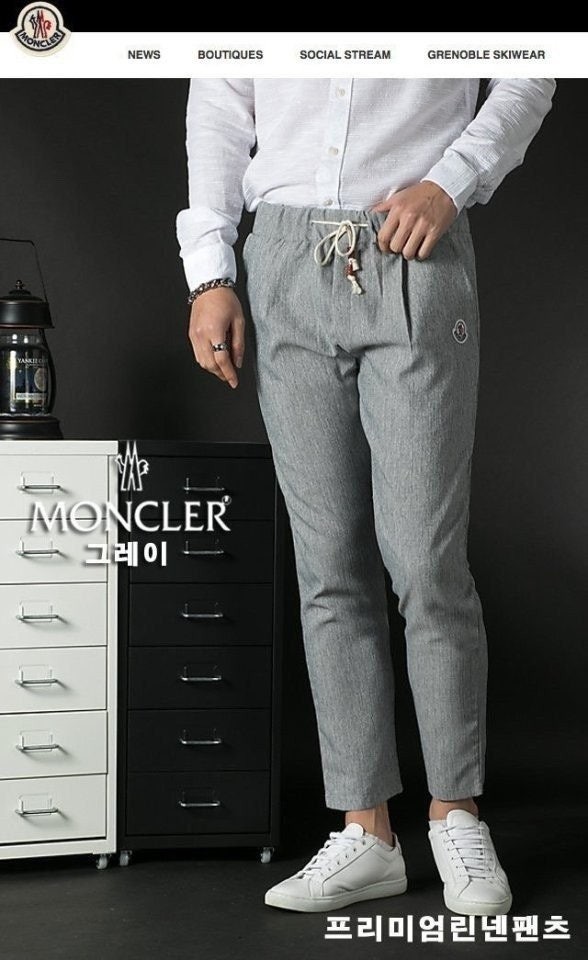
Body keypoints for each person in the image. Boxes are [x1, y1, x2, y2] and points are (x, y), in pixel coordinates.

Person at [176, 78, 555, 917]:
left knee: (425, 562)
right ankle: (367, 831)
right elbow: (220, 107)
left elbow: (532, 67)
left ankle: (456, 815)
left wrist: (452, 180)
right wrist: (210, 273)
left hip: (413, 247)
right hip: (283, 257)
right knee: (330, 565)